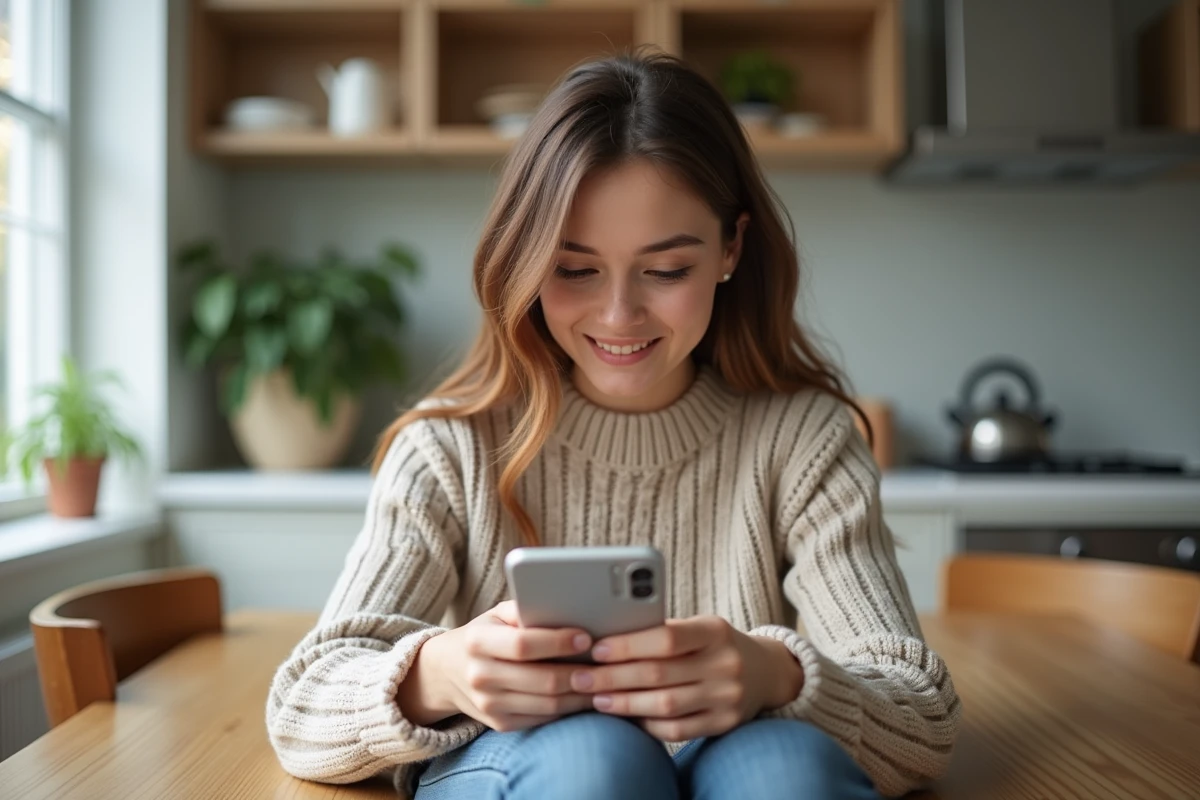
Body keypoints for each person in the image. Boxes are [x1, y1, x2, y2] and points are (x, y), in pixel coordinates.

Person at [266, 48, 961, 800]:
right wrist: (440, 673)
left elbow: (920, 716)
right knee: (594, 762)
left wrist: (775, 674)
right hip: (535, 770)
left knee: (784, 770)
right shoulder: (449, 448)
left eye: (666, 271)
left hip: (737, 762)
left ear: (731, 248)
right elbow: (301, 710)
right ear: (525, 260)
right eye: (573, 269)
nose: (619, 316)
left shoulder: (806, 443)